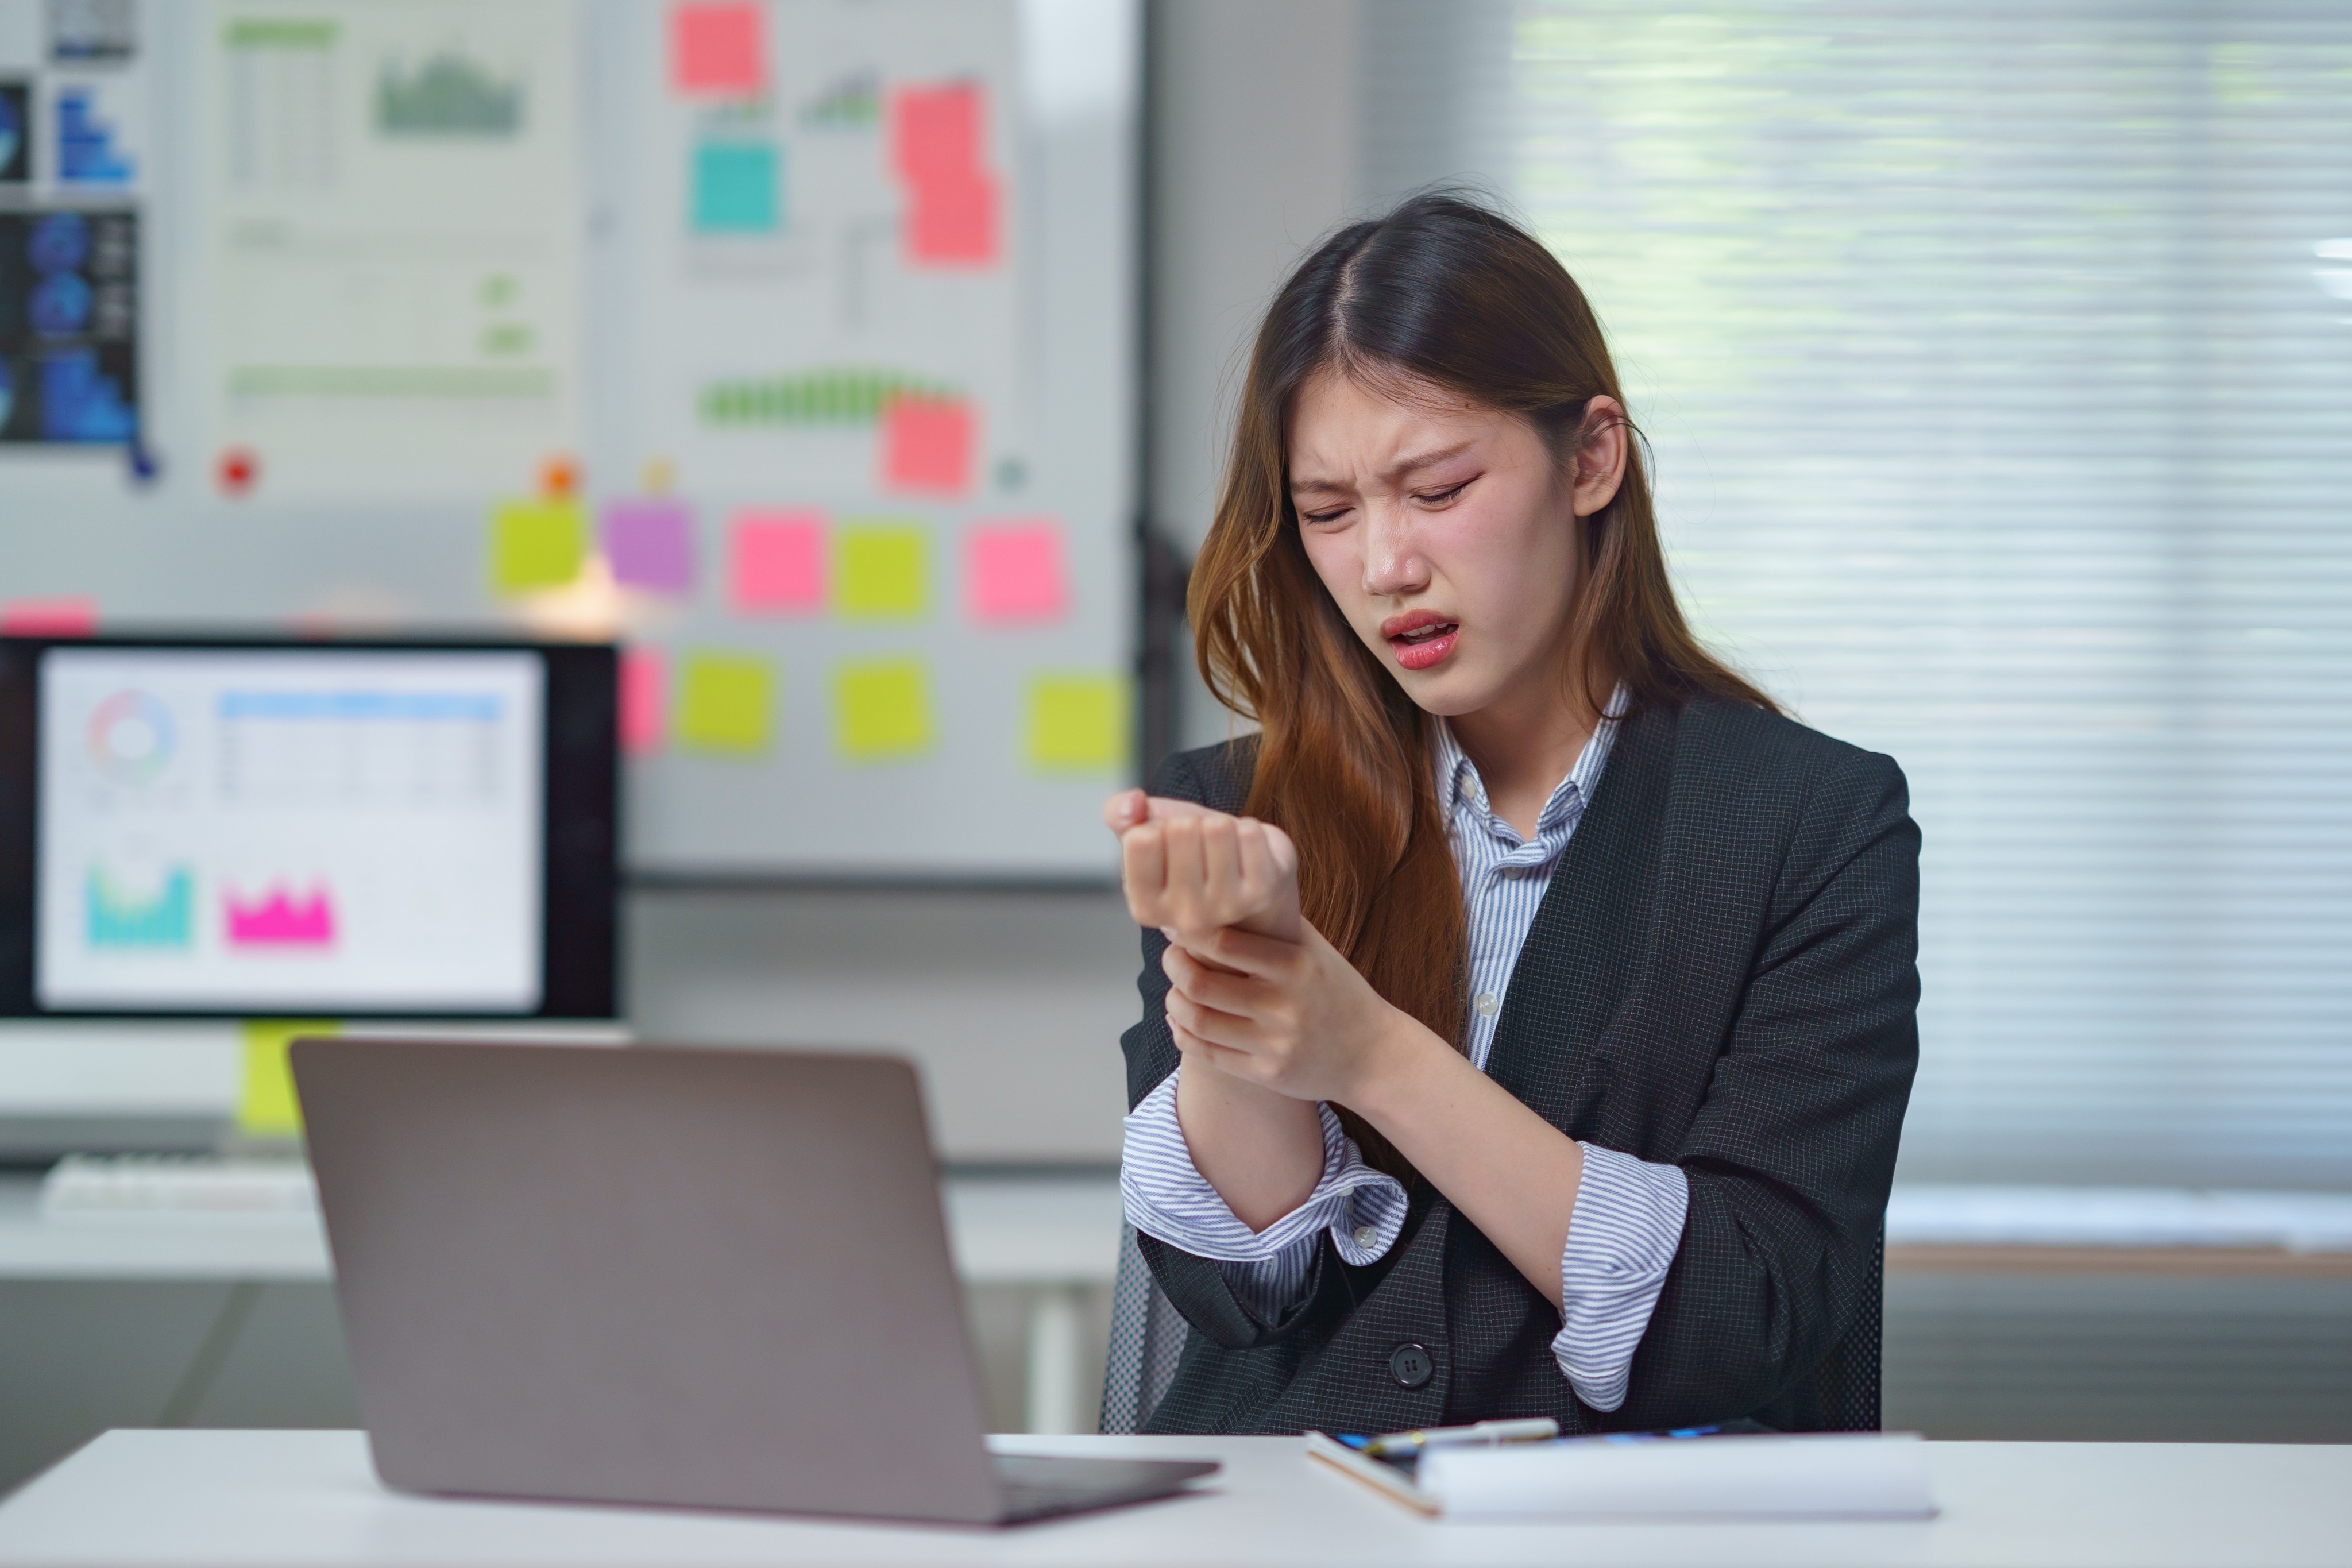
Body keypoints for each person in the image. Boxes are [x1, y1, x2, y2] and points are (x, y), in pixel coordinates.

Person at [1103, 193, 1919, 1436]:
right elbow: (1234, 1296)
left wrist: (1367, 1053)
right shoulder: (1229, 819)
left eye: (1434, 490)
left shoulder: (1808, 826)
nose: (1383, 566)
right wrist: (1236, 976)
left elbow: (1744, 1314)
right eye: (1327, 513)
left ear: (1589, 458)